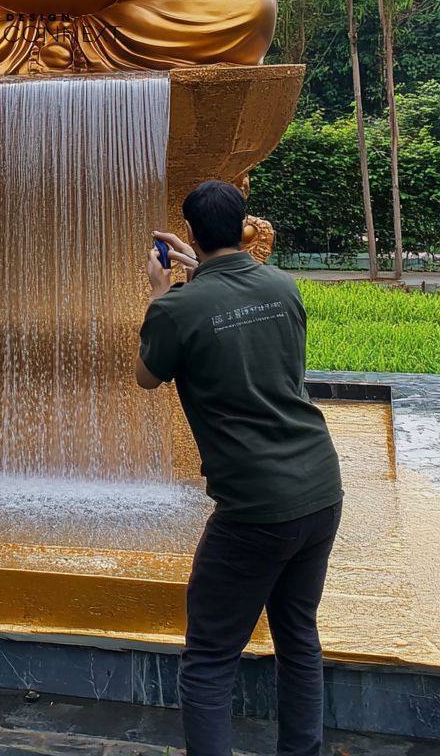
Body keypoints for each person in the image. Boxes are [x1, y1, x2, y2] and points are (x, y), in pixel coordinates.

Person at [136, 179, 343, 756]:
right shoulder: (281, 285)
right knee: (298, 635)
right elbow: (239, 312)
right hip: (321, 487)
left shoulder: (178, 307)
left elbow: (148, 376)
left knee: (208, 658)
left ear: (193, 234)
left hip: (254, 507)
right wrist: (200, 273)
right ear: (244, 225)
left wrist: (161, 292)